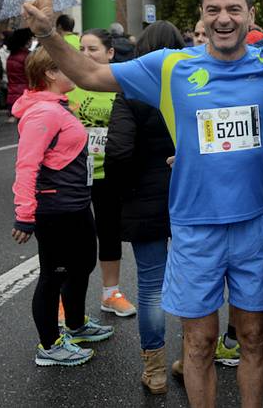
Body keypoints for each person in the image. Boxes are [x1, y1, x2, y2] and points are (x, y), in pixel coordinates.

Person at [22, 0, 263, 408]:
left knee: (254, 337)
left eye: (234, 9)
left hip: (254, 224)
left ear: (251, 15)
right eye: (213, 10)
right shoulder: (171, 66)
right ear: (201, 15)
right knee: (199, 342)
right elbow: (90, 73)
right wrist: (49, 34)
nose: (223, 18)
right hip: (194, 229)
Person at [12, 46, 114, 367]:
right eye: (67, 65)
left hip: (76, 203)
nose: (76, 69)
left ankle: (75, 324)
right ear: (50, 73)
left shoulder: (58, 105)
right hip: (56, 207)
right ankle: (49, 346)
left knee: (82, 264)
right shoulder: (43, 113)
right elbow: (26, 165)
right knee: (53, 275)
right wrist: (24, 214)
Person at [104, 21, 182, 393]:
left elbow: (118, 151)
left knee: (151, 286)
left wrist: (126, 187)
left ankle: (155, 370)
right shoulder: (191, 87)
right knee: (195, 282)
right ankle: (193, 358)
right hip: (189, 196)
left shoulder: (131, 92)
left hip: (143, 197)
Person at [66, 29, 137, 319]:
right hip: (73, 173)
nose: (85, 55)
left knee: (109, 231)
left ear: (110, 53)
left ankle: (111, 293)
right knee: (73, 236)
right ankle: (66, 299)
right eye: (81, 49)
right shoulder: (70, 84)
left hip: (109, 170)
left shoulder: (120, 84)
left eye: (92, 49)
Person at [5, 29, 32, 123]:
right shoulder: (27, 56)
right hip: (26, 95)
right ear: (26, 41)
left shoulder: (11, 56)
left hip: (12, 95)